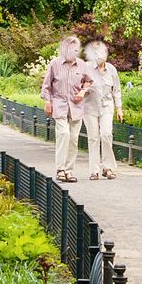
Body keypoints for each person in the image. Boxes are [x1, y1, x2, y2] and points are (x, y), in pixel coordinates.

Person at [39, 36, 94, 182]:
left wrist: (82, 92)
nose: (74, 52)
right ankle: (60, 169)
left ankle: (69, 171)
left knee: (74, 139)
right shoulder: (55, 63)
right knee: (64, 134)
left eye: (76, 50)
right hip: (59, 104)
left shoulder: (82, 65)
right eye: (72, 49)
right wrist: (47, 102)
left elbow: (89, 82)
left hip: (76, 107)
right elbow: (46, 86)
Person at [84, 41, 123, 180]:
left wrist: (119, 108)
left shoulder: (112, 69)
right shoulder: (87, 67)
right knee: (93, 138)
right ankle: (94, 170)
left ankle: (108, 167)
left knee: (106, 135)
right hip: (90, 106)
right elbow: (79, 86)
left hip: (107, 105)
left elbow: (116, 90)